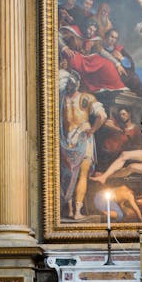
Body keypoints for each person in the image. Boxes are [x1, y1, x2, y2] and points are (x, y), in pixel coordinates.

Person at [60, 71, 106, 219]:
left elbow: (102, 116)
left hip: (72, 140)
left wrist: (92, 130)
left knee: (71, 175)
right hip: (77, 139)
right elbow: (102, 116)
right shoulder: (81, 98)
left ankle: (73, 211)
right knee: (79, 175)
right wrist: (91, 130)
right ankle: (75, 212)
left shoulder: (63, 100)